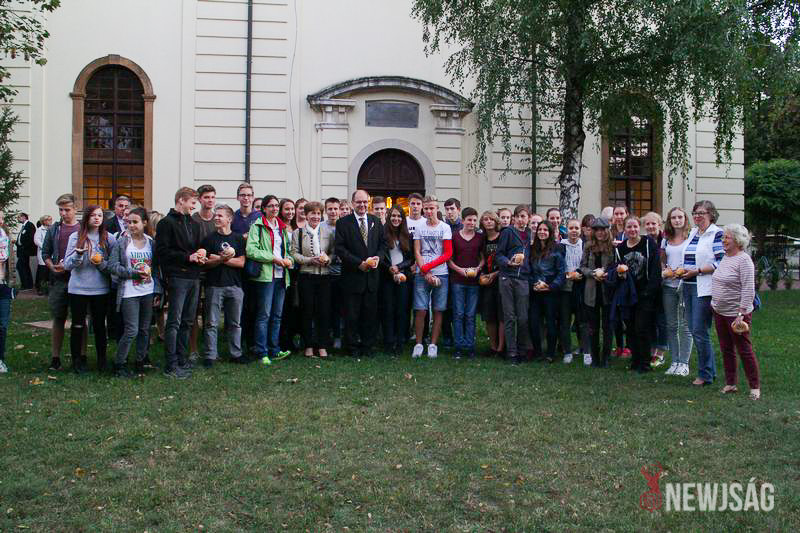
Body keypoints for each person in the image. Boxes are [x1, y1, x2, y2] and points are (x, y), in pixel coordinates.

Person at [155, 187, 205, 379]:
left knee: (188, 320)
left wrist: (201, 253)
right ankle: (171, 364)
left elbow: (198, 246)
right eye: (192, 203)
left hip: (194, 277)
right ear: (181, 200)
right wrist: (187, 257)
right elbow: (162, 252)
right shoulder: (166, 223)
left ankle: (182, 359)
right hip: (177, 277)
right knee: (174, 321)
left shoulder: (194, 224)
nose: (194, 207)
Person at [108, 207, 159, 377]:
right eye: (129, 222)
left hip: (147, 290)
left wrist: (157, 290)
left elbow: (156, 268)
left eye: (135, 222)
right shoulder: (122, 242)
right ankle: (119, 363)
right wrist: (133, 273)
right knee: (131, 330)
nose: (131, 225)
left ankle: (141, 360)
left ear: (144, 223)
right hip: (129, 292)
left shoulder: (151, 242)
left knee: (145, 329)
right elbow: (112, 266)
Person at [64, 205, 116, 373]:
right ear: (86, 218)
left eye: (100, 215)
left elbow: (113, 266)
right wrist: (78, 255)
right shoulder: (75, 237)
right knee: (78, 325)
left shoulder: (109, 238)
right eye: (93, 215)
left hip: (100, 289)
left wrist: (100, 263)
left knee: (100, 325)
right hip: (78, 288)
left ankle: (102, 360)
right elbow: (67, 264)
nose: (96, 218)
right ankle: (77, 361)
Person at [335, 189, 386, 358]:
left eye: (365, 202)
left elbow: (383, 245)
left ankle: (367, 346)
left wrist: (378, 258)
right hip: (352, 277)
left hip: (371, 278)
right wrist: (359, 264)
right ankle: (352, 347)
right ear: (352, 203)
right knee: (351, 315)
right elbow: (340, 249)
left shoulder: (375, 221)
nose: (362, 205)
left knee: (370, 315)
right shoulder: (343, 223)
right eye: (359, 202)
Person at [712, 224, 760, 400]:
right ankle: (731, 383)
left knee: (744, 349)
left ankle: (754, 387)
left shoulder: (744, 260)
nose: (723, 240)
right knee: (726, 349)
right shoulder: (726, 257)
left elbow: (748, 289)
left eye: (727, 237)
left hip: (736, 314)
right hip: (719, 311)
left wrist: (741, 314)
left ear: (738, 240)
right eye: (723, 237)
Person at [680, 200, 724, 386]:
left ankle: (705, 374)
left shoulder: (717, 234)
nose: (697, 216)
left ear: (711, 214)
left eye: (701, 213)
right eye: (695, 213)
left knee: (699, 330)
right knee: (694, 329)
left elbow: (721, 262)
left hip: (704, 287)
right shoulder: (693, 233)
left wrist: (697, 271)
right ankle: (709, 371)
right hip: (688, 285)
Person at [246, 194, 293, 364]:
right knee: (264, 315)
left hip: (281, 276)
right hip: (266, 276)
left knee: (277, 315)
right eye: (271, 206)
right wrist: (273, 259)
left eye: (276, 206)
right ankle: (261, 352)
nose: (274, 208)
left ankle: (274, 349)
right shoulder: (257, 226)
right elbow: (251, 250)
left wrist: (289, 260)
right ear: (264, 209)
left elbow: (287, 251)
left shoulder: (282, 227)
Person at [612, 215, 661, 373]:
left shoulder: (648, 243)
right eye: (629, 227)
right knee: (631, 328)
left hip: (646, 293)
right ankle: (635, 360)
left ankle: (645, 363)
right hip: (629, 294)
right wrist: (619, 273)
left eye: (635, 226)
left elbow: (655, 269)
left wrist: (649, 292)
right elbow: (617, 270)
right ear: (624, 229)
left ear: (639, 227)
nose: (632, 230)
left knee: (642, 328)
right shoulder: (620, 249)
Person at [201, 204, 246, 367]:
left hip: (235, 286)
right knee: (211, 323)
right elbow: (206, 263)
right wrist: (221, 259)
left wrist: (220, 259)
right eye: (216, 215)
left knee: (235, 323)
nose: (216, 218)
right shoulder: (209, 239)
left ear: (229, 219)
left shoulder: (238, 239)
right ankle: (210, 356)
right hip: (214, 285)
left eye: (220, 215)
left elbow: (241, 263)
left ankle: (236, 354)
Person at [42, 193, 82, 371]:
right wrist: (51, 266)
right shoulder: (54, 229)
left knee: (80, 319)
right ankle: (55, 357)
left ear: (75, 209)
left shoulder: (82, 228)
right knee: (58, 318)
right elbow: (45, 253)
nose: (63, 213)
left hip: (78, 280)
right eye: (60, 210)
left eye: (67, 210)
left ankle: (81, 356)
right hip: (59, 280)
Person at [291, 201, 335, 358]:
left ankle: (322, 345)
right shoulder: (298, 233)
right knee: (307, 311)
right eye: (312, 213)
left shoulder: (328, 232)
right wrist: (309, 260)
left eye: (318, 213)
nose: (316, 216)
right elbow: (294, 253)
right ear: (306, 215)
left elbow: (333, 252)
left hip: (324, 277)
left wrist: (327, 259)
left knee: (324, 311)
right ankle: (308, 345)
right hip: (306, 276)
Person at [411, 195, 452, 359]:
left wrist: (428, 268)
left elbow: (447, 253)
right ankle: (419, 343)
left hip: (441, 273)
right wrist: (425, 271)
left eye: (431, 208)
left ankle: (433, 344)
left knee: (438, 309)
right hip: (422, 274)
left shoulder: (445, 227)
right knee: (420, 309)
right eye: (426, 208)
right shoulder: (419, 227)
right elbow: (417, 251)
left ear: (437, 208)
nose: (429, 211)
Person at [495, 204, 532, 364]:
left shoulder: (530, 234)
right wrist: (508, 262)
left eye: (524, 216)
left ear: (528, 218)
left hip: (523, 278)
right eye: (518, 216)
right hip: (507, 277)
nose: (521, 219)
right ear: (514, 218)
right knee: (509, 316)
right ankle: (511, 352)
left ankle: (522, 350)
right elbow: (499, 254)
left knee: (523, 317)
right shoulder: (508, 232)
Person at [660, 207, 693, 377]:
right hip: (669, 285)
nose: (677, 220)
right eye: (673, 217)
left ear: (685, 219)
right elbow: (662, 261)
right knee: (671, 325)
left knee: (685, 325)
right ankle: (674, 361)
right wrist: (665, 270)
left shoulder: (691, 237)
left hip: (685, 284)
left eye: (680, 217)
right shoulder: (666, 240)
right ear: (670, 220)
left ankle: (684, 363)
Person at [448, 207, 484, 359]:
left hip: (473, 282)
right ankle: (458, 346)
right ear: (463, 220)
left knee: (470, 315)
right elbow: (449, 259)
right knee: (458, 314)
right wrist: (460, 270)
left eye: (475, 220)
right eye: (469, 220)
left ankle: (470, 347)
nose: (472, 223)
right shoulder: (454, 237)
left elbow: (482, 258)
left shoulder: (480, 237)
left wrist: (478, 268)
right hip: (458, 281)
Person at [579, 217, 616, 367]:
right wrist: (592, 273)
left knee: (607, 326)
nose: (600, 232)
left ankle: (606, 357)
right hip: (592, 291)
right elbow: (582, 266)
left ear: (607, 231)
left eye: (603, 230)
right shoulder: (588, 246)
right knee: (593, 327)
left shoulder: (613, 247)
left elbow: (616, 266)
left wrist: (607, 273)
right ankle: (595, 357)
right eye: (597, 230)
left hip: (607, 290)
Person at [188, 184, 217, 364]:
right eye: (206, 197)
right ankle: (193, 349)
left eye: (212, 197)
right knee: (193, 311)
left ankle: (210, 349)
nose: (210, 200)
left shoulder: (218, 219)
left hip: (215, 270)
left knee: (210, 313)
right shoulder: (193, 220)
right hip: (196, 272)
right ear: (199, 199)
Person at [529, 221, 565, 363]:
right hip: (535, 290)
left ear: (550, 233)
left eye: (545, 230)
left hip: (551, 291)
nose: (542, 232)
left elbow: (561, 272)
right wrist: (533, 284)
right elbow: (529, 270)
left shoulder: (557, 249)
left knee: (551, 323)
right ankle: (537, 352)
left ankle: (550, 353)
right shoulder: (533, 249)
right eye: (540, 229)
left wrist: (550, 286)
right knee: (533, 322)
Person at [232, 183, 260, 360]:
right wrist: (242, 237)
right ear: (238, 197)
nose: (246, 198)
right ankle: (238, 343)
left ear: (253, 197)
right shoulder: (233, 217)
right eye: (243, 195)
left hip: (255, 266)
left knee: (254, 307)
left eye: (249, 195)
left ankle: (253, 343)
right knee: (239, 307)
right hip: (237, 267)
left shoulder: (259, 216)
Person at [380, 206, 414, 356]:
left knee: (402, 310)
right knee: (388, 310)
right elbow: (380, 256)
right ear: (389, 217)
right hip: (386, 277)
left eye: (399, 216)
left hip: (403, 277)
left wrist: (399, 268)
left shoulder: (408, 235)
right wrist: (389, 269)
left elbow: (411, 259)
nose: (396, 219)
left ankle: (400, 341)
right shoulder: (382, 235)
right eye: (393, 216)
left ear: (402, 219)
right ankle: (388, 342)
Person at [642, 211, 668, 366]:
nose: (651, 226)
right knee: (650, 318)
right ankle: (652, 349)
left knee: (662, 319)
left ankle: (661, 352)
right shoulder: (644, 241)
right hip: (648, 285)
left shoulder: (666, 240)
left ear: (659, 225)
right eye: (648, 224)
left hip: (664, 284)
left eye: (654, 223)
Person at [559, 218, 587, 364]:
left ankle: (584, 349)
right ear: (567, 230)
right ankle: (567, 351)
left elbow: (587, 264)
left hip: (580, 287)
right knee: (565, 321)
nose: (574, 231)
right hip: (565, 288)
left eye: (576, 228)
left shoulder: (585, 245)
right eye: (571, 228)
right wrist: (567, 275)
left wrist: (579, 273)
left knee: (582, 321)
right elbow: (558, 264)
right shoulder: (561, 245)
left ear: (580, 230)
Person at [479, 210, 504, 357]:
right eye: (485, 219)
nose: (488, 221)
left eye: (491, 219)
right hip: (487, 281)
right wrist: (482, 273)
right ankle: (493, 346)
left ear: (496, 222)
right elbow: (481, 258)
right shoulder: (482, 239)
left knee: (501, 315)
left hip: (501, 279)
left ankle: (501, 348)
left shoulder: (502, 237)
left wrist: (494, 274)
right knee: (489, 315)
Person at [610, 204, 630, 358]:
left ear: (626, 214)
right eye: (616, 214)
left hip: (627, 276)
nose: (618, 216)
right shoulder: (610, 232)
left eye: (621, 213)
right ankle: (618, 345)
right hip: (613, 276)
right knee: (615, 314)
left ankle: (629, 346)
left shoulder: (630, 231)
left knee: (627, 314)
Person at [324, 197, 344, 349]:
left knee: (340, 307)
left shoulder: (345, 226)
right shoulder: (321, 227)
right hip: (325, 273)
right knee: (326, 307)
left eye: (335, 209)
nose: (333, 212)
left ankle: (338, 335)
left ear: (340, 210)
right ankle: (326, 335)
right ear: (326, 210)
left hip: (342, 274)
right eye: (330, 209)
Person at [0, 211, 13, 373]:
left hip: (3, 285)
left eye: (2, 218)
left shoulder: (5, 236)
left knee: (2, 325)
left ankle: (0, 359)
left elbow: (9, 261)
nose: (1, 221)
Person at [14, 213, 36, 290]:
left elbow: (31, 238)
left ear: (24, 217)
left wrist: (23, 246)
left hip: (25, 251)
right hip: (21, 250)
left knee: (21, 266)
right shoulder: (24, 226)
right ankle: (27, 285)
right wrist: (17, 243)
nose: (17, 219)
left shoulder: (30, 225)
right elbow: (21, 237)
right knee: (24, 267)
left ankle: (26, 285)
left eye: (18, 217)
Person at [34, 215, 52, 295]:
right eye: (48, 220)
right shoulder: (39, 230)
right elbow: (36, 241)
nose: (50, 221)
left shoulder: (52, 229)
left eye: (51, 219)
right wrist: (45, 247)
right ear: (44, 221)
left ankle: (47, 288)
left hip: (51, 253)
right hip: (42, 252)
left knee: (49, 271)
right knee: (42, 271)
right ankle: (40, 288)